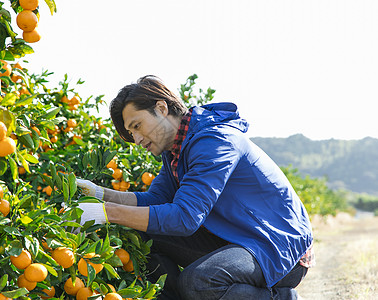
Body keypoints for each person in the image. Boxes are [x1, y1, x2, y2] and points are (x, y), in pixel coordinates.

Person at [75, 75, 314, 300]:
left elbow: (185, 217)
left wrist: (108, 213)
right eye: (131, 133)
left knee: (199, 282)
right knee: (140, 233)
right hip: (235, 238)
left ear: (161, 108)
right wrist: (99, 194)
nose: (136, 140)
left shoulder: (214, 141)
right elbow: (155, 200)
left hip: (275, 245)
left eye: (137, 126)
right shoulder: (175, 153)